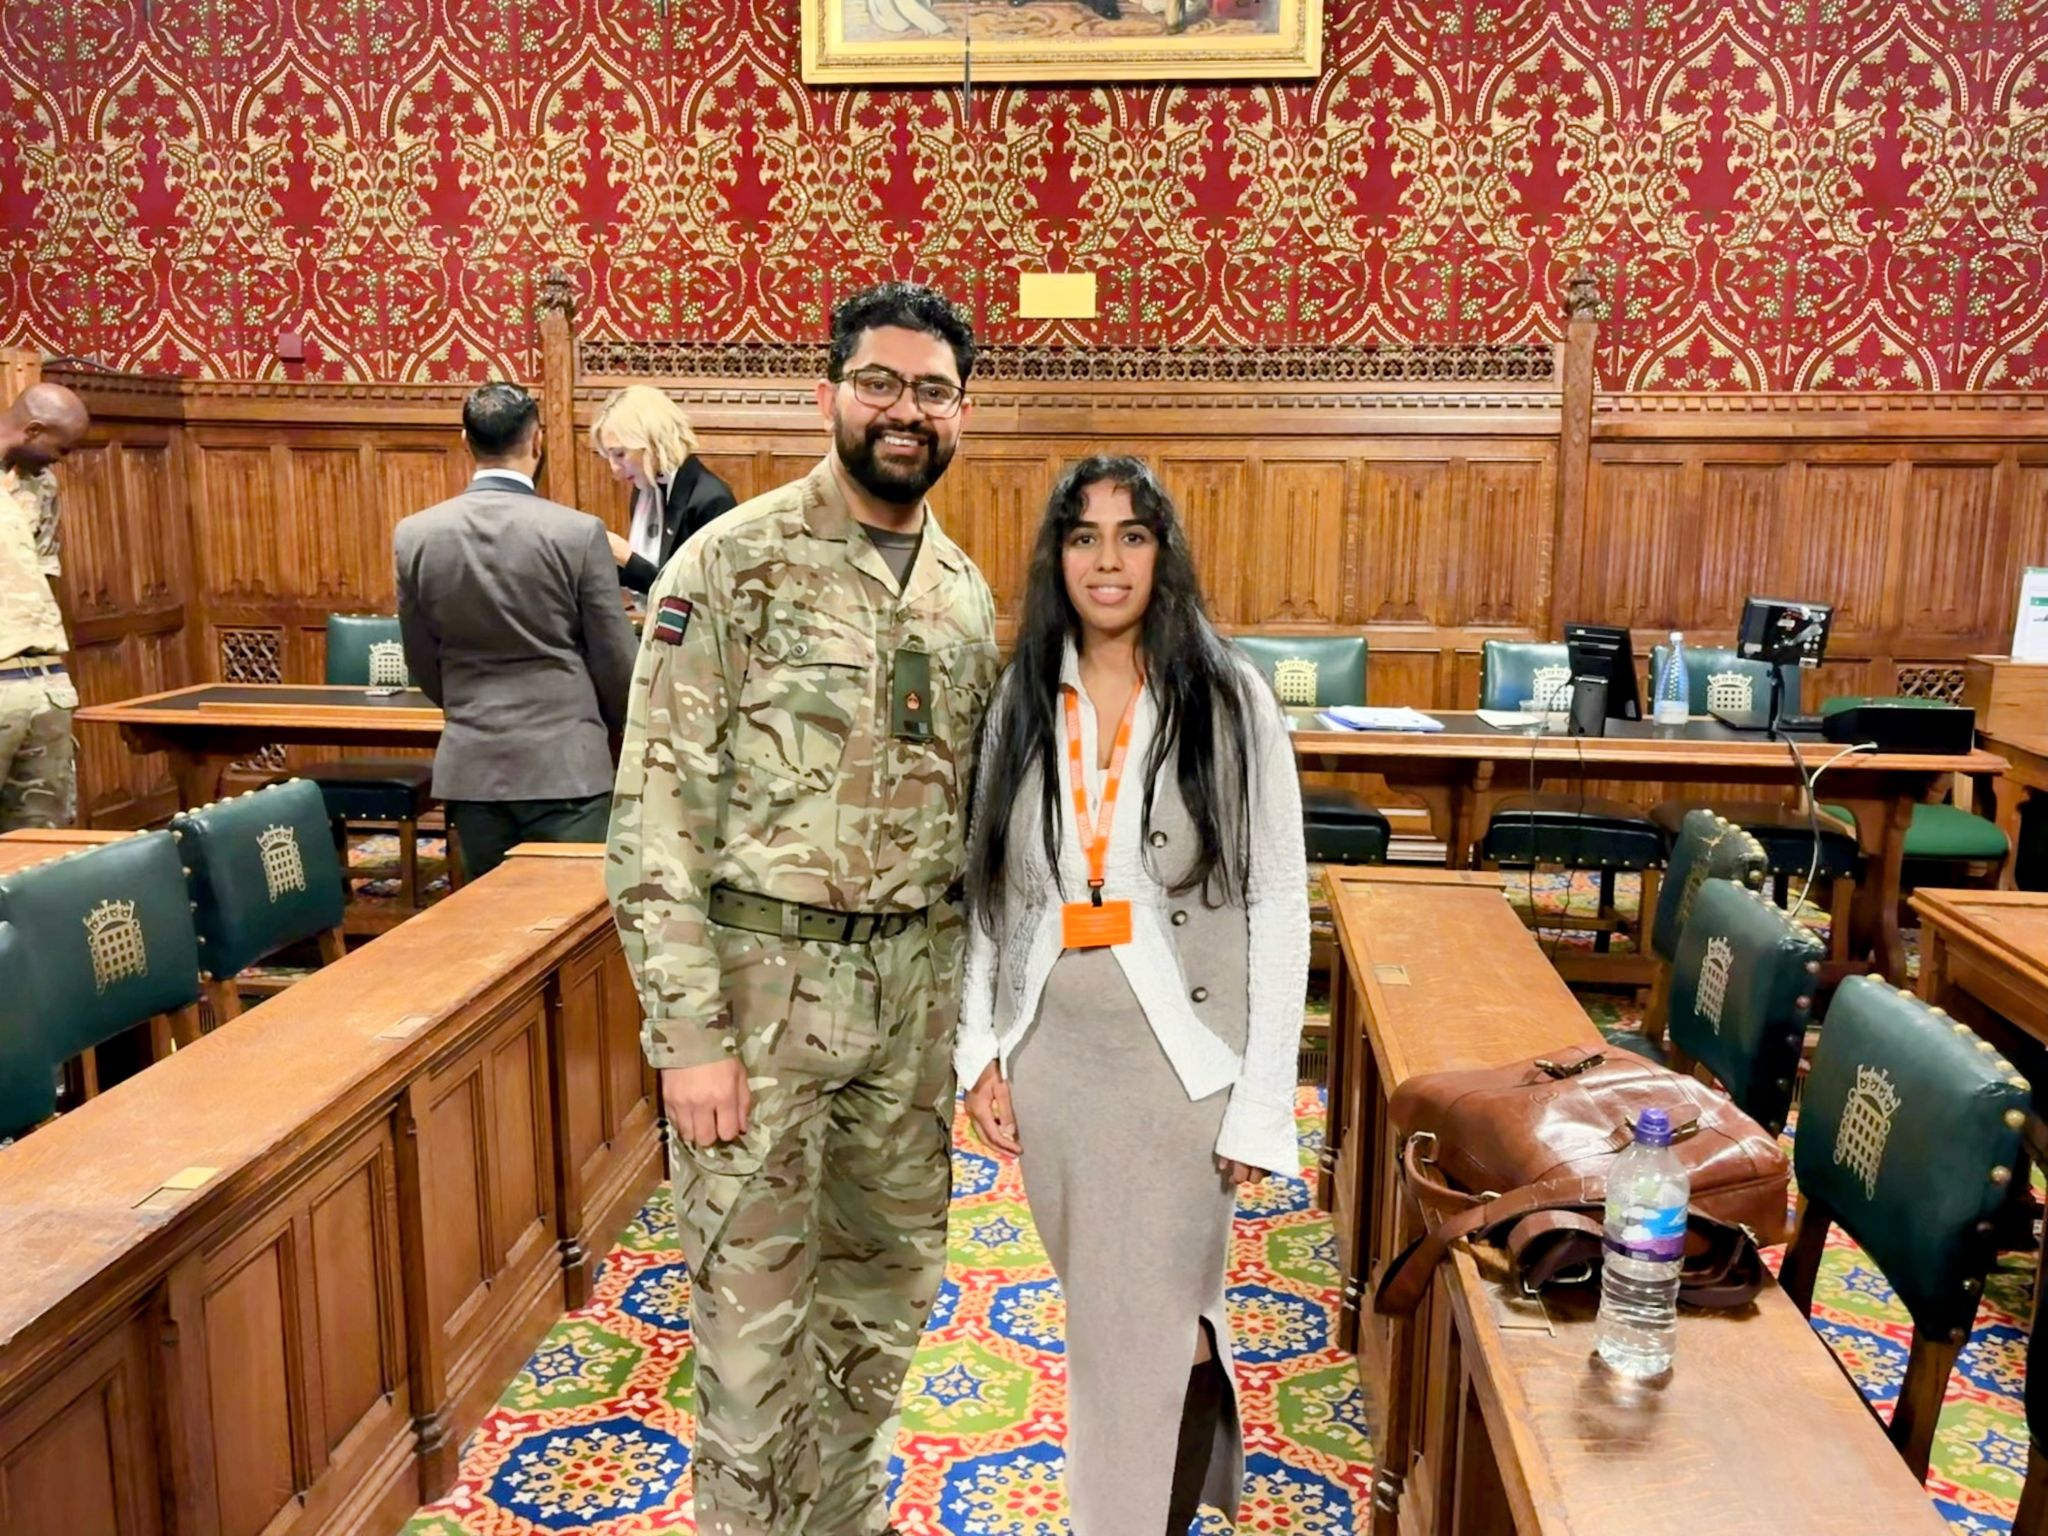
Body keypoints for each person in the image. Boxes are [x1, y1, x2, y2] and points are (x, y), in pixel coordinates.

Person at [606, 280, 999, 1536]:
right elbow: (653, 811)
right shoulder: (732, 560)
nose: (903, 410)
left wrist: (978, 1031)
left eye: (930, 391)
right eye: (879, 383)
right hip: (760, 1007)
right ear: (825, 393)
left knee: (878, 1311)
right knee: (747, 1326)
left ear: (960, 415)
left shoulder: (961, 592)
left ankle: (842, 1520)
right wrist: (688, 1039)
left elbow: (979, 832)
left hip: (910, 1010)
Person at [957, 455, 1308, 1535]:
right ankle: (1194, 1438)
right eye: (1082, 537)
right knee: (1129, 1317)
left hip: (1183, 1070)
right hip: (1057, 1062)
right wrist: (976, 1048)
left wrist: (1260, 1099)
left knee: (1124, 1337)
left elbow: (1278, 903)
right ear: (1054, 557)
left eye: (1131, 535)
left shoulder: (1226, 695)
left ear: (1165, 553)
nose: (1106, 561)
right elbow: (987, 893)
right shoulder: (1019, 692)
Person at [394, 382, 637, 877]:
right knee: (572, 929)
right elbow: (616, 661)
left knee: (486, 933)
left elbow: (421, 658)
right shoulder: (577, 533)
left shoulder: (416, 535)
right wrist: (610, 727)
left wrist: (471, 708)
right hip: (568, 767)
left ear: (465, 440)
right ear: (538, 441)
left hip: (473, 767)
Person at [0, 383, 89, 830]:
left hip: (43, 679)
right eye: (61, 447)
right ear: (33, 429)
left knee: (42, 837)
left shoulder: (43, 486)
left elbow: (44, 574)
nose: (63, 458)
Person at [590, 384, 738, 594]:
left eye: (620, 454)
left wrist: (628, 560)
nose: (614, 469)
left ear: (652, 441)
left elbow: (701, 597)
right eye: (609, 456)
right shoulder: (644, 488)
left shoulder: (712, 499)